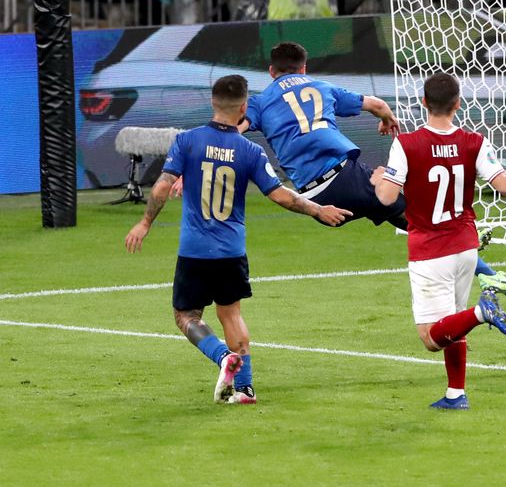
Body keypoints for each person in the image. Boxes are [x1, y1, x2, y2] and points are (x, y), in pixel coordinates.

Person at [124, 75, 351, 405]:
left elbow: (162, 186)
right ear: (244, 107)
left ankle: (221, 357)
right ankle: (244, 388)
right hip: (231, 250)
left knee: (186, 315)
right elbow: (280, 196)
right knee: (230, 314)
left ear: (213, 103)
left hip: (195, 250)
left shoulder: (187, 141)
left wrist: (145, 223)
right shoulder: (250, 151)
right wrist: (317, 210)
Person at [243, 41, 506, 299]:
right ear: (305, 68)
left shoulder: (259, 102)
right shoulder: (321, 87)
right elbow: (377, 104)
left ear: (271, 71)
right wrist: (387, 119)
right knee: (423, 212)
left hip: (313, 195)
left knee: (411, 220)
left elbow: (236, 129)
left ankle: (475, 263)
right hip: (345, 177)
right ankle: (474, 259)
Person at [372, 72, 506, 409]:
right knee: (452, 321)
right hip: (465, 247)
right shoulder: (474, 141)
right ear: (458, 104)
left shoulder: (405, 144)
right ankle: (456, 394)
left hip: (430, 252)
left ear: (423, 103)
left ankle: (482, 311)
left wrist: (380, 179)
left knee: (431, 337)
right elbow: (503, 183)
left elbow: (387, 198)